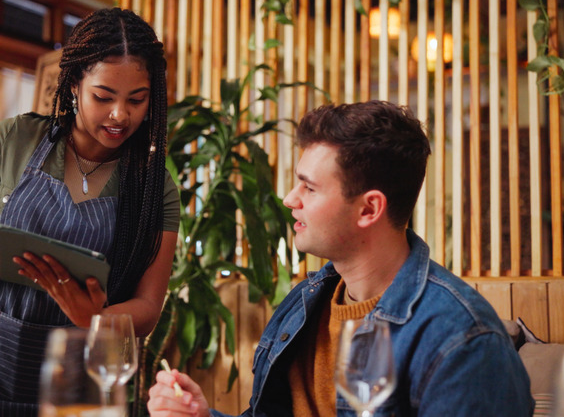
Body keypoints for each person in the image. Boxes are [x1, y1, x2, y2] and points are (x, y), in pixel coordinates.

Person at [147, 101, 534, 417]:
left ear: (369, 209)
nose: (289, 199)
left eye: (309, 188)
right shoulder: (302, 305)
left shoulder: (464, 341)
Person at [0, 7, 179, 416]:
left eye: (137, 100)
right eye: (103, 96)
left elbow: (148, 306)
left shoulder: (154, 187)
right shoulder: (15, 138)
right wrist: (7, 263)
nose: (119, 115)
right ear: (74, 85)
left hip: (78, 382)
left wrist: (98, 317)